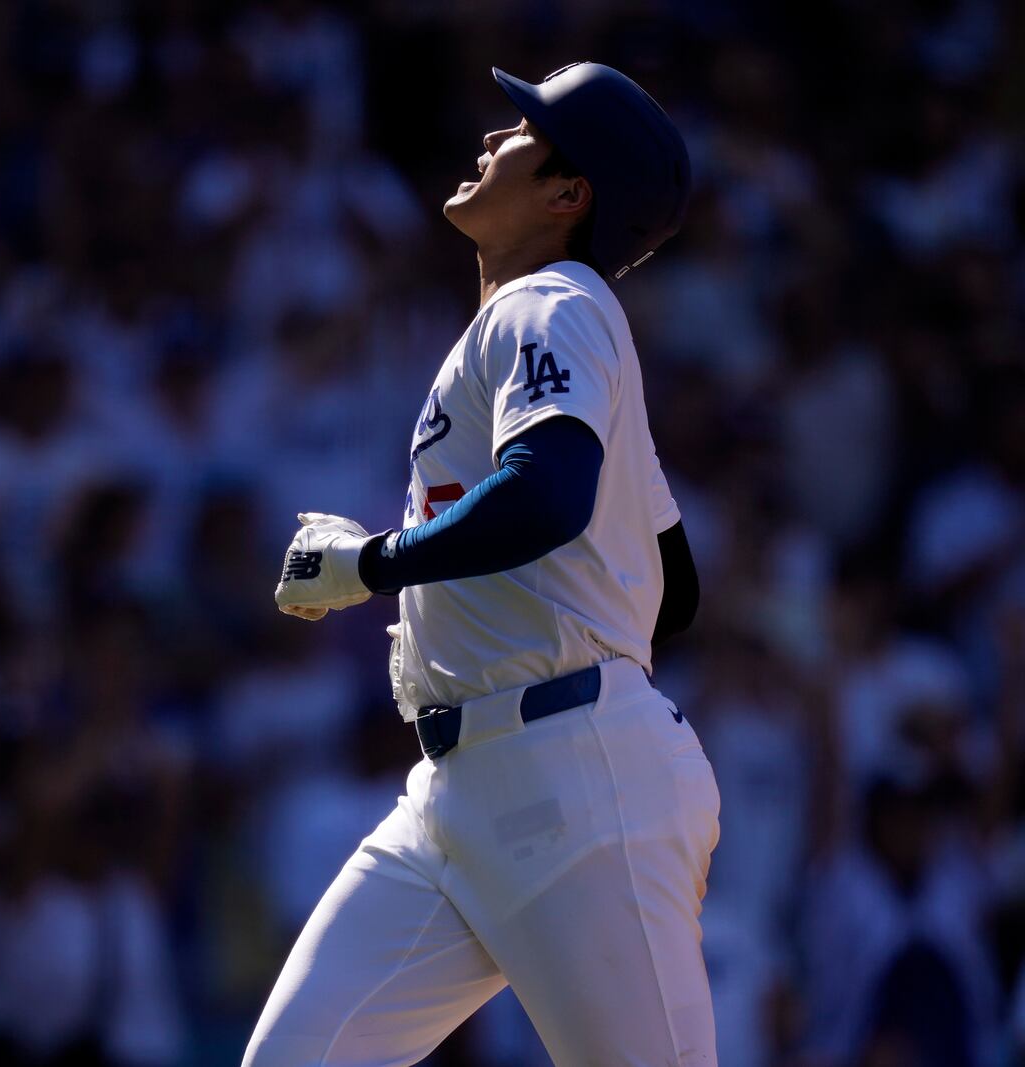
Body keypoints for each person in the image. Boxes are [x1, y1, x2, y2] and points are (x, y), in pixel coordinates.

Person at [250, 62, 717, 1065]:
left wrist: (365, 565)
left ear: (566, 193)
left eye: (520, 134)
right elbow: (670, 588)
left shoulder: (553, 301)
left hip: (569, 776)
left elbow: (548, 497)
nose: (490, 140)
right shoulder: (545, 323)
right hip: (466, 793)